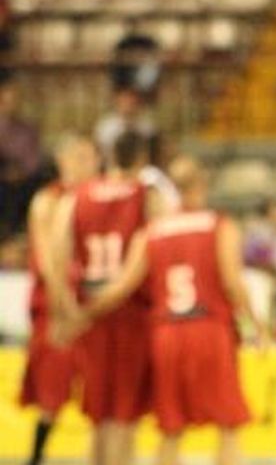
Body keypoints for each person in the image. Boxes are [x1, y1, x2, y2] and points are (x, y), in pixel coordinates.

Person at [68, 156, 268, 465]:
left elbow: (122, 287)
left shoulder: (151, 231)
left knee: (171, 428)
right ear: (202, 185)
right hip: (209, 327)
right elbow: (233, 284)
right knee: (228, 425)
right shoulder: (219, 225)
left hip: (166, 334)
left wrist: (80, 314)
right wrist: (256, 327)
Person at [52, 133, 163, 465]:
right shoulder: (147, 195)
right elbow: (145, 262)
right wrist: (91, 311)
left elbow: (56, 258)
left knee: (99, 416)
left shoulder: (75, 197)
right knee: (124, 418)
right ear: (142, 160)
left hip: (89, 308)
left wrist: (69, 311)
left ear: (109, 157)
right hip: (132, 313)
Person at [19, 135, 99, 465]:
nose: (89, 163)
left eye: (91, 156)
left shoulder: (98, 196)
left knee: (102, 392)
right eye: (80, 156)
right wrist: (63, 306)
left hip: (94, 304)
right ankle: (36, 456)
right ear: (62, 160)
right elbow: (47, 259)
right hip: (56, 304)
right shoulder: (48, 200)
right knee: (51, 390)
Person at [0, 77, 48, 239]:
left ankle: (19, 235)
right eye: (6, 99)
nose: (11, 103)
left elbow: (33, 162)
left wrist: (19, 172)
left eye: (15, 99)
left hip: (23, 182)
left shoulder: (28, 129)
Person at [94, 87, 156, 165]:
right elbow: (100, 153)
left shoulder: (148, 128)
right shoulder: (105, 127)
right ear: (117, 101)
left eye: (132, 101)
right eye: (125, 100)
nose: (128, 104)